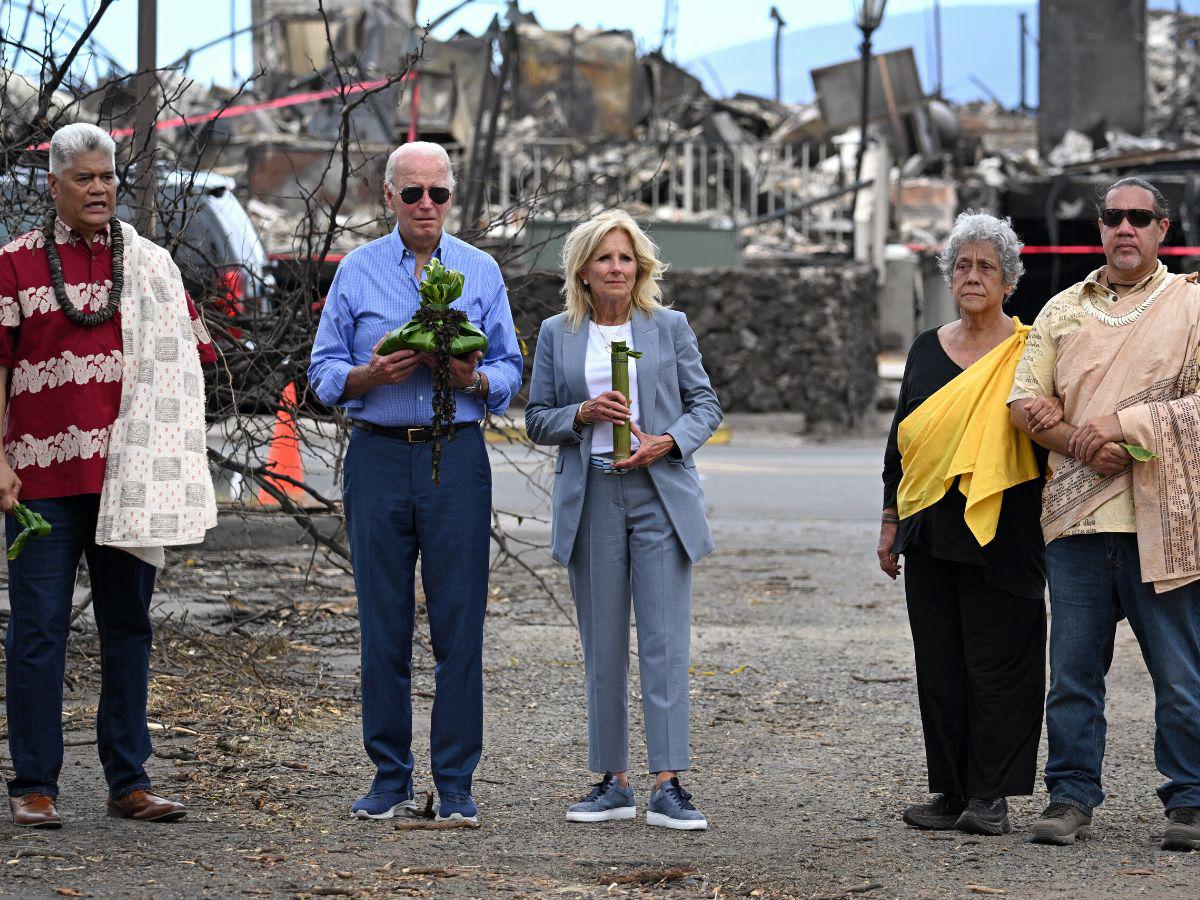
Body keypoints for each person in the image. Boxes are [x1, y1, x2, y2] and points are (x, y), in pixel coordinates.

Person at [0, 123, 218, 828]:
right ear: (55, 183)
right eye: (84, 178)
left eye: (107, 177)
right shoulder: (14, 264)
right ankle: (34, 783)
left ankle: (129, 779)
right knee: (37, 631)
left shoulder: (149, 263)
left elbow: (193, 355)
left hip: (129, 479)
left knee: (128, 625)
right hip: (38, 481)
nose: (99, 189)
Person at [308, 141, 522, 825]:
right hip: (377, 454)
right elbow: (320, 371)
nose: (426, 205)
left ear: (453, 197)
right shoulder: (358, 272)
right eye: (413, 194)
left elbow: (514, 367)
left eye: (439, 194)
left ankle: (455, 782)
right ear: (388, 196)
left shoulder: (480, 270)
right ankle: (389, 776)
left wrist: (477, 379)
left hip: (456, 452)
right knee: (383, 622)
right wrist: (364, 379)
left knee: (460, 623)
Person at [1009, 177, 1200, 852]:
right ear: (1100, 228)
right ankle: (1069, 799)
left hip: (1163, 519)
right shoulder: (1061, 310)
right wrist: (1082, 443)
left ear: (1161, 229)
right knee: (1072, 675)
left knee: (1180, 675)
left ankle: (1190, 803)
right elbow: (1025, 403)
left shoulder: (1192, 306)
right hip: (1079, 525)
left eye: (1139, 218)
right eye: (1114, 217)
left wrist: (1124, 426)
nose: (1125, 227)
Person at [525, 209, 722, 830]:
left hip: (658, 495)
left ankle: (669, 783)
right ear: (582, 269)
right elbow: (535, 419)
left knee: (664, 642)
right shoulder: (558, 333)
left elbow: (706, 405)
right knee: (603, 645)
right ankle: (612, 781)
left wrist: (668, 441)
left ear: (641, 268)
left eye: (627, 257)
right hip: (592, 499)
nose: (616, 267)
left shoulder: (669, 327)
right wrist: (580, 413)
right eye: (605, 257)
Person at [879, 211, 1053, 837]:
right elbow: (901, 441)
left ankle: (992, 796)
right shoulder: (927, 348)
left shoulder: (1032, 349)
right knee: (941, 663)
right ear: (948, 277)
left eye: (986, 266)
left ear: (1010, 280)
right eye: (962, 265)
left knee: (1001, 662)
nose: (972, 275)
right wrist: (889, 521)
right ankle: (951, 791)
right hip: (929, 529)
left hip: (1006, 531)